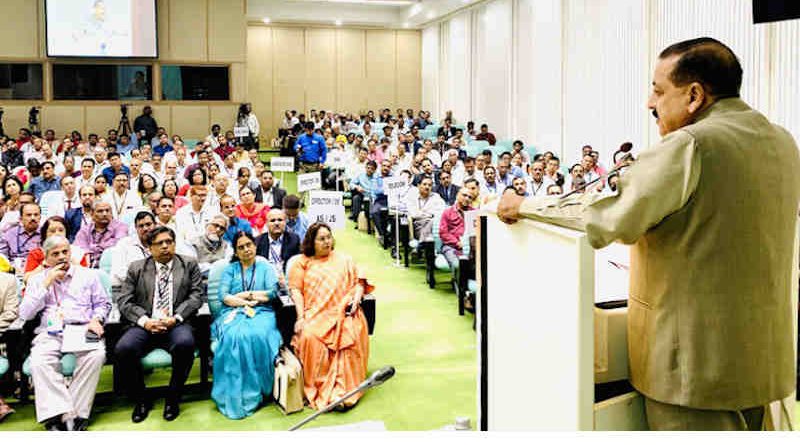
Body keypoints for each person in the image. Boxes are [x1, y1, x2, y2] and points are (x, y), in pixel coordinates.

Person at [497, 38, 800, 431]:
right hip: (762, 364)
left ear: (694, 95)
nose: (649, 103)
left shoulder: (690, 144)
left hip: (693, 372)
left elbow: (607, 218)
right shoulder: (782, 140)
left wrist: (523, 205)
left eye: (658, 91)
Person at [19, 236, 111, 431]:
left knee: (97, 355)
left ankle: (72, 415)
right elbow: (25, 313)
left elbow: (103, 304)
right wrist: (46, 283)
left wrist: (97, 319)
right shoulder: (37, 279)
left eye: (65, 252)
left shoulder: (89, 275)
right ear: (46, 258)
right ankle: (59, 415)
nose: (62, 257)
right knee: (39, 361)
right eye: (55, 254)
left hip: (81, 328)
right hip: (49, 332)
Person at [114, 226, 205, 423]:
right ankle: (141, 399)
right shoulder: (136, 267)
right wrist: (145, 322)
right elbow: (124, 301)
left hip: (176, 322)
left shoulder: (188, 264)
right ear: (149, 248)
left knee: (185, 344)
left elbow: (197, 296)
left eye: (169, 242)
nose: (165, 247)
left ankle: (173, 397)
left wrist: (176, 317)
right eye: (159, 243)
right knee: (124, 348)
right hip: (145, 323)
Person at [287, 222, 374, 410]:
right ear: (312, 242)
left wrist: (356, 299)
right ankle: (319, 391)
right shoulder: (301, 262)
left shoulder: (344, 259)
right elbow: (296, 292)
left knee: (349, 337)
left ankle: (342, 394)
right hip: (315, 313)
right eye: (321, 239)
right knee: (309, 337)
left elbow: (359, 282)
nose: (327, 242)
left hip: (344, 312)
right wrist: (300, 318)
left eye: (329, 237)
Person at [211, 231, 282, 419]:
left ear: (255, 245)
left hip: (263, 312)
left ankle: (258, 388)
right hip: (233, 312)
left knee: (256, 334)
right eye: (241, 247)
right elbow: (224, 297)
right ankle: (235, 392)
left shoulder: (265, 267)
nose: (246, 250)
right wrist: (244, 302)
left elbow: (271, 293)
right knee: (234, 336)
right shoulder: (230, 269)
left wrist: (246, 295)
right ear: (235, 250)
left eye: (249, 245)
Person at [23, 216, 89, 283]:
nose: (57, 234)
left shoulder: (77, 253)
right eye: (52, 231)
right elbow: (26, 280)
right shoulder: (36, 253)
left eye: (61, 230)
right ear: (45, 234)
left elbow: (87, 279)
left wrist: (74, 265)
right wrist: (44, 265)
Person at [73, 200, 128, 268]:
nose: (105, 214)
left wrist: (93, 248)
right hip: (89, 267)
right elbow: (79, 249)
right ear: (92, 215)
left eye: (107, 211)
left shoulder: (120, 227)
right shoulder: (85, 230)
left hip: (112, 266)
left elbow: (118, 245)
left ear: (112, 213)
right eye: (100, 211)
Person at [110, 211, 156, 288]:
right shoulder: (124, 244)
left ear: (155, 225)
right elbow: (120, 272)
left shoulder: (160, 244)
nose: (145, 229)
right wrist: (144, 281)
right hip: (124, 288)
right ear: (136, 228)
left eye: (148, 224)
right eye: (141, 226)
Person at [439, 188, 473, 283]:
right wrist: (457, 243)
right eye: (464, 195)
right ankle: (459, 286)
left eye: (470, 197)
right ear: (457, 196)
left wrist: (468, 244)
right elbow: (443, 233)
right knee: (456, 263)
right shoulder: (448, 212)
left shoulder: (474, 213)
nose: (467, 198)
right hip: (451, 246)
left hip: (470, 246)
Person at [254, 209, 301, 275]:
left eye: (280, 220)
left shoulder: (294, 240)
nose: (276, 223)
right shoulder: (258, 241)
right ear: (266, 224)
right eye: (272, 220)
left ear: (285, 222)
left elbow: (297, 265)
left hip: (286, 277)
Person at [0, 202, 42, 271]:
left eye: (36, 215)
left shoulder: (46, 233)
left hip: (38, 271)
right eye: (28, 215)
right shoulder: (9, 234)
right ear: (21, 218)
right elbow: (2, 256)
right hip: (13, 270)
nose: (33, 218)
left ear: (40, 217)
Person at [406, 176, 446, 242]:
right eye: (424, 184)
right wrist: (429, 214)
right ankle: (423, 242)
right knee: (430, 224)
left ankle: (421, 243)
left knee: (433, 222)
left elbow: (441, 211)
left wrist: (423, 213)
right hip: (417, 224)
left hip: (434, 224)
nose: (427, 187)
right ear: (418, 185)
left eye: (429, 185)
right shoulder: (412, 197)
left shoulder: (436, 196)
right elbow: (413, 214)